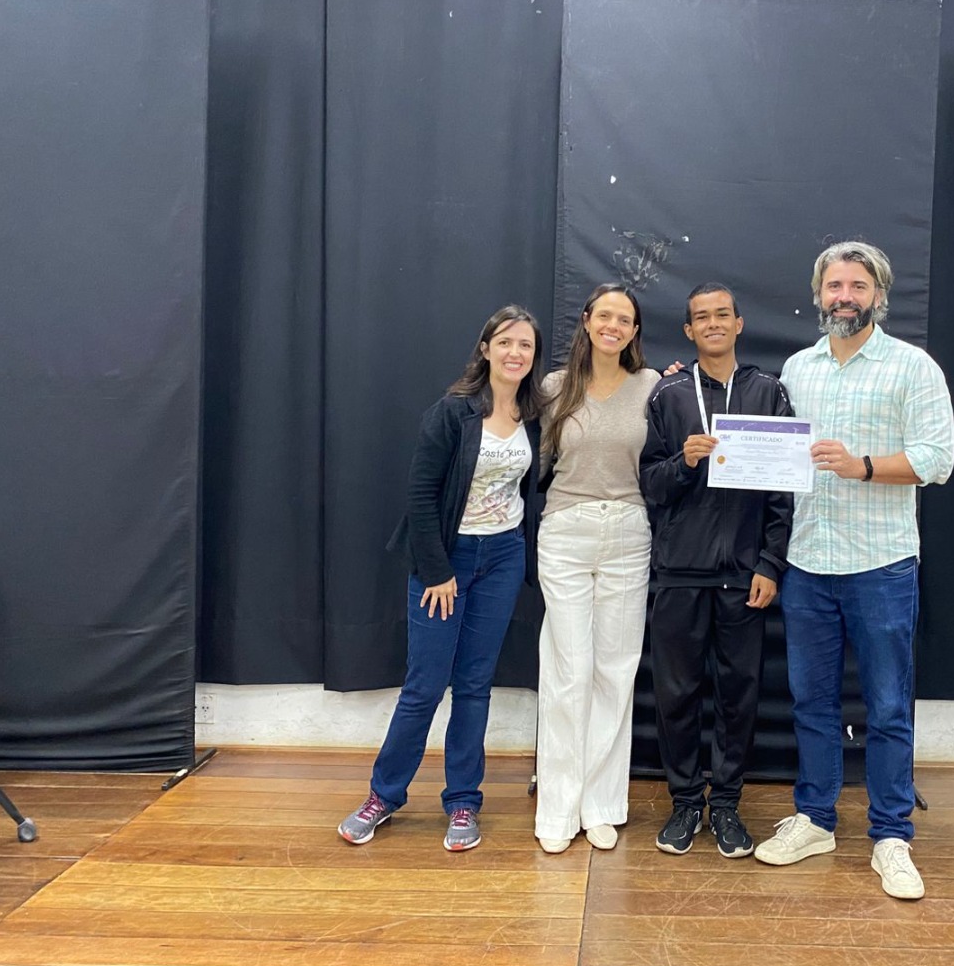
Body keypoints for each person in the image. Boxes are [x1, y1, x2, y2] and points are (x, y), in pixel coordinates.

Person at [753, 242, 954, 901]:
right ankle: (815, 819)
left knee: (888, 705)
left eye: (858, 286)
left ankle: (891, 835)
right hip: (808, 563)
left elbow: (938, 460)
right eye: (834, 285)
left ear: (879, 295)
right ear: (818, 295)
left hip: (881, 564)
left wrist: (861, 466)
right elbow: (773, 453)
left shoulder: (913, 367)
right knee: (811, 702)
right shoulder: (797, 369)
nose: (845, 296)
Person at [338, 305, 546, 852]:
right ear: (486, 348)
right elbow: (420, 494)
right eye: (506, 342)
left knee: (474, 685)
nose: (515, 353)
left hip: (502, 558)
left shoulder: (535, 414)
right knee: (425, 686)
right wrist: (436, 570)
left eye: (525, 345)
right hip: (446, 562)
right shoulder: (453, 412)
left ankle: (463, 802)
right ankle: (384, 795)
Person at [639, 282, 793, 857]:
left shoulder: (768, 391)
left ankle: (726, 805)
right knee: (676, 695)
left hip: (744, 575)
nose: (713, 324)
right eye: (701, 317)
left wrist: (771, 562)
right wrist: (683, 462)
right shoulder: (668, 394)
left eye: (722, 315)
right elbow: (649, 484)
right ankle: (685, 804)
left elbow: (783, 492)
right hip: (680, 571)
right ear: (688, 330)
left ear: (739, 323)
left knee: (738, 695)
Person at [534, 283, 661, 853]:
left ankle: (602, 804)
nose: (613, 326)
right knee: (568, 669)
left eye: (624, 319)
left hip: (629, 531)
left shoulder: (652, 385)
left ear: (634, 331)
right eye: (604, 315)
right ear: (587, 321)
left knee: (615, 668)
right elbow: (537, 461)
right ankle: (559, 808)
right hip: (566, 531)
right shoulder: (554, 387)